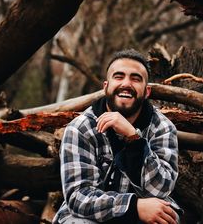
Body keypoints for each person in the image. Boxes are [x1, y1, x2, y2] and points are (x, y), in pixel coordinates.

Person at [53, 49, 181, 224]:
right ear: (106, 86)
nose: (126, 84)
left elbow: (160, 190)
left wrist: (134, 139)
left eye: (135, 78)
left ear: (147, 91)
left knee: (167, 217)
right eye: (119, 77)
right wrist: (132, 206)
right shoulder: (80, 128)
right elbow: (78, 198)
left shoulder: (163, 128)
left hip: (145, 214)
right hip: (89, 218)